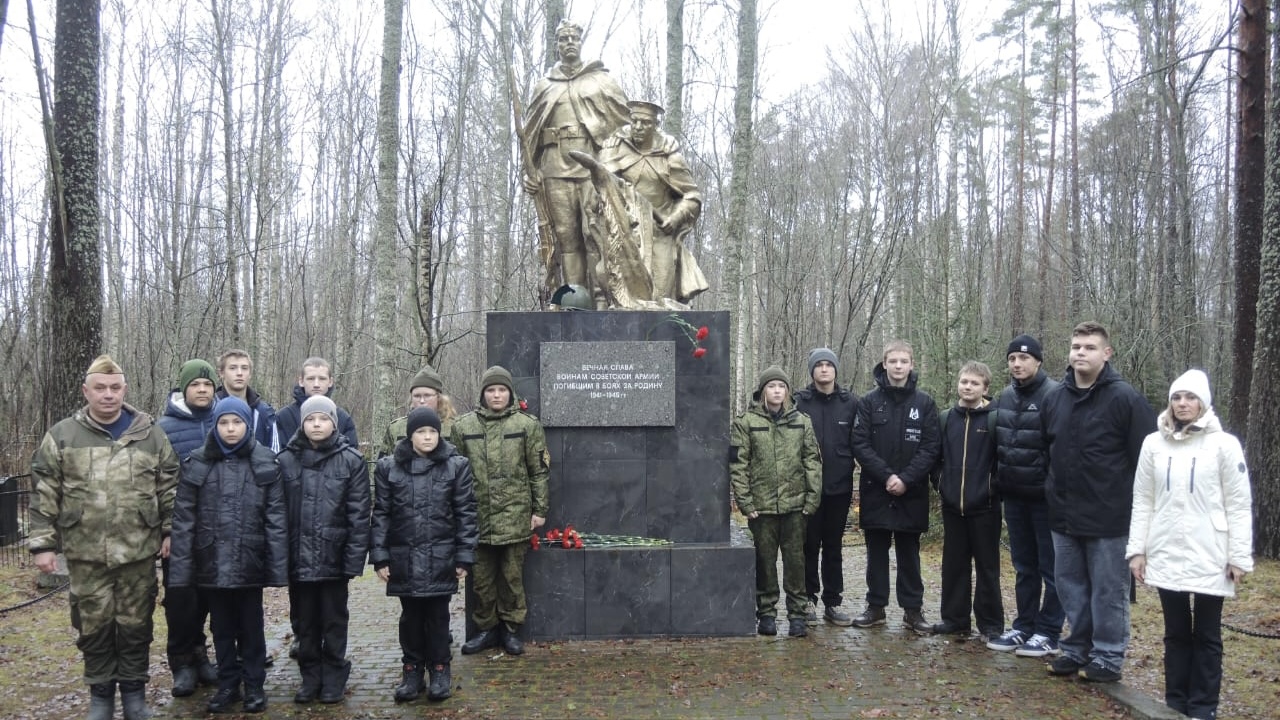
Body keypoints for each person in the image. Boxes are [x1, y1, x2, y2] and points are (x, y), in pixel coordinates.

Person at [29, 355, 179, 720]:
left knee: (136, 625)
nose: (108, 395)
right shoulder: (63, 435)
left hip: (138, 552)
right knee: (92, 627)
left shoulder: (150, 434)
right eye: (100, 388)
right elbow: (45, 490)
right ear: (86, 391)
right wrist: (43, 544)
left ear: (125, 390)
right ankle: (100, 696)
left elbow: (170, 487)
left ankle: (134, 695)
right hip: (86, 553)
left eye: (114, 388)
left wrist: (170, 531)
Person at [1127, 370, 1253, 720]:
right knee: (1176, 633)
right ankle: (1176, 704)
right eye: (1177, 397)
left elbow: (1239, 504)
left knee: (1208, 634)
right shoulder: (1153, 444)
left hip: (1212, 551)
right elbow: (1143, 499)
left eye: (1191, 397)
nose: (1183, 404)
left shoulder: (1224, 445)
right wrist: (1138, 550)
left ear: (1203, 403)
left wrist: (1238, 556)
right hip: (1165, 547)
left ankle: (1203, 707)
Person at [1041, 321, 1156, 682]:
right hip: (1063, 516)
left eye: (1089, 347)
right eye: (1076, 346)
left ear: (1106, 353)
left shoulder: (1126, 399)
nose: (1081, 353)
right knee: (1070, 588)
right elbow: (1046, 451)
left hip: (1109, 517)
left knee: (1108, 591)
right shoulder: (1055, 398)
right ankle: (1076, 649)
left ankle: (1108, 656)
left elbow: (1146, 461)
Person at [168, 397, 287, 715]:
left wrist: (276, 567)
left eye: (237, 422)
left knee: (251, 628)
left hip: (250, 561)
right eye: (224, 423)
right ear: (215, 426)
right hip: (211, 561)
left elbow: (275, 518)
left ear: (247, 425)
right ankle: (228, 684)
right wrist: (181, 569)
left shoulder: (265, 461)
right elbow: (184, 520)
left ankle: (255, 686)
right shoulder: (197, 463)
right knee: (221, 629)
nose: (231, 429)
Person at [373, 407, 478, 703]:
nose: (428, 437)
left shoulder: (456, 466)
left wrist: (464, 555)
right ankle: (412, 670)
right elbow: (381, 514)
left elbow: (466, 513)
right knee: (410, 619)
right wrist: (380, 557)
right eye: (421, 432)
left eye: (432, 431)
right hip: (403, 557)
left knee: (438, 617)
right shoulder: (389, 468)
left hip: (441, 557)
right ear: (410, 435)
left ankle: (440, 669)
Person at [522, 19, 630, 302]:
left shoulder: (600, 80)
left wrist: (614, 167)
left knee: (594, 233)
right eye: (563, 39)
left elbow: (622, 127)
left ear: (581, 42)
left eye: (573, 38)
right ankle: (575, 301)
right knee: (566, 236)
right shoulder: (545, 86)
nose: (569, 43)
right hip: (554, 168)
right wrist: (529, 173)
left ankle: (603, 298)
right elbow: (530, 134)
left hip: (591, 168)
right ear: (556, 45)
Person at [277, 395, 371, 704]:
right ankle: (310, 677)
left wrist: (353, 560)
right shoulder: (286, 460)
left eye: (323, 419)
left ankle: (333, 676)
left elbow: (359, 515)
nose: (317, 424)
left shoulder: (351, 461)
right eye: (310, 419)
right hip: (298, 560)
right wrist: (280, 559)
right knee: (305, 623)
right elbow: (277, 514)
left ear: (334, 423)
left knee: (333, 622)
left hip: (334, 559)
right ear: (302, 423)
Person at [451, 366, 549, 657]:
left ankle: (510, 629)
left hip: (515, 515)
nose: (496, 395)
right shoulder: (463, 426)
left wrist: (539, 509)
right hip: (477, 517)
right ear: (483, 393)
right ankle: (485, 629)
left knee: (511, 578)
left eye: (502, 390)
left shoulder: (527, 425)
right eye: (491, 390)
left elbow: (538, 471)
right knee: (481, 581)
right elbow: (454, 474)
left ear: (510, 393)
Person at [850, 340, 940, 634]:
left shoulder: (925, 403)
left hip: (911, 492)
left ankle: (912, 611)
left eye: (904, 361)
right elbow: (860, 444)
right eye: (893, 361)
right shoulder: (868, 402)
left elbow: (931, 447)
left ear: (912, 364)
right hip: (876, 489)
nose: (898, 366)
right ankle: (875, 607)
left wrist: (906, 479)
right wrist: (887, 476)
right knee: (876, 552)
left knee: (909, 553)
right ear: (884, 364)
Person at [731, 365, 822, 638]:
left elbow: (812, 461)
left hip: (795, 507)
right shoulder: (746, 422)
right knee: (765, 563)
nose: (777, 391)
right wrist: (746, 503)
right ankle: (767, 613)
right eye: (771, 386)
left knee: (796, 564)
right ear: (763, 391)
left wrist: (812, 499)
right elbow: (738, 465)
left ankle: (797, 615)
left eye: (781, 386)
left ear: (788, 391)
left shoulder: (802, 421)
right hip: (762, 509)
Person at [990, 334, 1064, 656]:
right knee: (1024, 566)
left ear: (1038, 361)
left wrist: (1051, 487)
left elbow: (1060, 448)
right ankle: (1024, 626)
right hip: (1014, 496)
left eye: (1024, 358)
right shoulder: (1005, 396)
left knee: (1051, 568)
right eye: (1012, 359)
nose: (1017, 364)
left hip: (1045, 500)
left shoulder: (1054, 395)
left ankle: (1049, 632)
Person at [598, 100, 708, 304]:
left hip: (659, 235)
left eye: (645, 122)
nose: (638, 127)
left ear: (655, 125)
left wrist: (675, 218)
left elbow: (692, 196)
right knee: (620, 294)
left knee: (661, 297)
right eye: (634, 121)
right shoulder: (616, 148)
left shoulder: (669, 156)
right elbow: (602, 184)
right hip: (626, 235)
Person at [156, 358, 221, 696]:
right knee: (181, 599)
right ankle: (181, 663)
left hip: (217, 529)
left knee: (209, 598)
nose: (202, 390)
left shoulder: (226, 420)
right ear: (184, 388)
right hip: (180, 530)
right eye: (195, 384)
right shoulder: (163, 428)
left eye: (207, 385)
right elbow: (158, 483)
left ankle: (201, 655)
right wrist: (166, 531)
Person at [930, 361, 1004, 641]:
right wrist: (942, 485)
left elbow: (1003, 461)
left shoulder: (995, 419)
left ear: (985, 387)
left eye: (974, 383)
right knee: (954, 566)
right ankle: (954, 619)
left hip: (985, 507)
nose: (968, 387)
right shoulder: (946, 418)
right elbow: (935, 458)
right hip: (953, 506)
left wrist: (990, 489)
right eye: (964, 382)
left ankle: (991, 624)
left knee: (987, 568)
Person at [792, 347, 858, 627]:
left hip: (839, 487)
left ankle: (833, 601)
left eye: (828, 364)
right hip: (806, 487)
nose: (823, 369)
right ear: (812, 370)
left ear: (835, 369)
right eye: (818, 365)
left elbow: (860, 441)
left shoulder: (850, 403)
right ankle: (808, 599)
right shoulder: (799, 401)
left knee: (833, 546)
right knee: (809, 545)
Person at [274, 357, 359, 451]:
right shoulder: (283, 417)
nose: (316, 384)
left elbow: (351, 455)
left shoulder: (343, 418)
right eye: (310, 379)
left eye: (322, 379)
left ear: (330, 382)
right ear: (301, 381)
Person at [378, 364, 458, 459]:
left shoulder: (454, 427)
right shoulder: (396, 428)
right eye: (417, 396)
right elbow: (383, 463)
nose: (422, 401)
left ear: (439, 398)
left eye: (427, 395)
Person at [214, 349, 278, 452]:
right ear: (221, 373)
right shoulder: (212, 408)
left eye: (244, 368)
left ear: (250, 374)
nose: (239, 373)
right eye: (233, 368)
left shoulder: (264, 412)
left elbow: (275, 453)